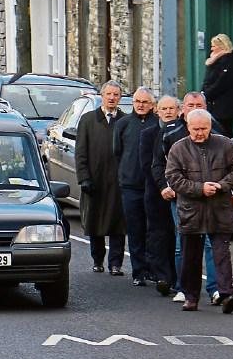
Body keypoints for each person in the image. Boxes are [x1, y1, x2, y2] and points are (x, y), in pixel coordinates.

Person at [165, 108, 233, 313]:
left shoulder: (225, 145)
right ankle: (191, 296)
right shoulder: (178, 148)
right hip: (191, 211)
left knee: (221, 254)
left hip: (220, 209)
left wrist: (221, 186)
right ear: (188, 127)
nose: (200, 133)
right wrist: (200, 189)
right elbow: (174, 178)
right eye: (195, 129)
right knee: (190, 256)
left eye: (204, 129)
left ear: (210, 127)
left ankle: (226, 295)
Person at [152, 92, 222, 304]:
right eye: (190, 105)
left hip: (211, 197)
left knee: (211, 243)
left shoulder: (217, 132)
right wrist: (164, 186)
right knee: (183, 243)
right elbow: (158, 164)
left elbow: (229, 165)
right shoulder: (171, 132)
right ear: (183, 109)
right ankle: (184, 287)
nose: (194, 108)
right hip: (182, 197)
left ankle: (215, 289)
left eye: (198, 104)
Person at [75, 80, 126, 275]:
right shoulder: (88, 120)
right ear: (102, 96)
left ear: (119, 98)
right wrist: (84, 178)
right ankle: (97, 260)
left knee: (118, 224)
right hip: (94, 180)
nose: (112, 98)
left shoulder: (124, 120)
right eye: (109, 94)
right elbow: (80, 152)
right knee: (95, 222)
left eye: (116, 95)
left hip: (118, 181)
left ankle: (116, 264)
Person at [113, 86, 157, 286]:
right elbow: (117, 151)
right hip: (130, 186)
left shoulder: (157, 124)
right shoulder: (123, 124)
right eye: (137, 101)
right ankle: (138, 271)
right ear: (132, 103)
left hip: (153, 187)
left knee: (153, 230)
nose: (140, 105)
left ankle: (152, 269)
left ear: (152, 105)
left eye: (145, 102)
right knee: (135, 230)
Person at [139, 95, 179, 296]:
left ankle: (176, 277)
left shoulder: (184, 132)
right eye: (164, 108)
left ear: (178, 111)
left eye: (172, 108)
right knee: (158, 236)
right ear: (157, 110)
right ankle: (162, 276)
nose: (168, 112)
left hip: (180, 194)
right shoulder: (148, 134)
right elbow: (147, 166)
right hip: (156, 194)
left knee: (176, 238)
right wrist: (163, 186)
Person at [201, 33, 233, 138]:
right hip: (213, 104)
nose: (212, 49)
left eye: (214, 46)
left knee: (224, 131)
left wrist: (207, 94)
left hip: (224, 105)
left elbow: (222, 82)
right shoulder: (215, 59)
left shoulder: (230, 60)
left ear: (222, 46)